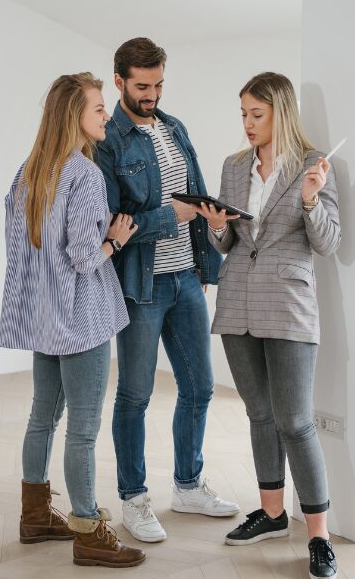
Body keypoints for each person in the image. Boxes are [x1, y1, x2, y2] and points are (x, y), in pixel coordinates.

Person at [192, 72, 341, 579]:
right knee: (259, 414)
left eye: (257, 115)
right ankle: (273, 514)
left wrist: (310, 200)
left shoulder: (314, 164)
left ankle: (318, 538)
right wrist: (214, 224)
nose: (248, 124)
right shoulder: (235, 167)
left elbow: (328, 243)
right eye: (243, 115)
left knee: (295, 422)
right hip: (237, 303)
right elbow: (230, 244)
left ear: (281, 112)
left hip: (290, 306)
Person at [0, 72, 144, 569]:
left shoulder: (30, 170)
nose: (107, 115)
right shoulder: (85, 175)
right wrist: (116, 236)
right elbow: (84, 257)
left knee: (43, 416)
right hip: (81, 319)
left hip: (43, 315)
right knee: (82, 428)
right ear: (74, 117)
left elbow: (26, 243)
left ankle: (34, 516)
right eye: (99, 108)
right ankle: (88, 530)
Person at [96, 37, 240, 543]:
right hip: (141, 286)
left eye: (158, 83)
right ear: (119, 81)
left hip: (185, 280)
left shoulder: (174, 128)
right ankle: (134, 499)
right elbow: (111, 224)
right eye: (142, 85)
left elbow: (192, 196)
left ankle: (187, 485)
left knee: (200, 387)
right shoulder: (107, 142)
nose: (152, 94)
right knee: (134, 395)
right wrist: (169, 216)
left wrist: (207, 239)